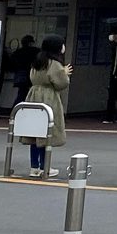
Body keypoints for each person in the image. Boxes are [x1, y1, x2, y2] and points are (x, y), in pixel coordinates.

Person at [25, 37, 71, 177]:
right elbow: (61, 83)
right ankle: (45, 167)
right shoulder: (55, 64)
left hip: (33, 95)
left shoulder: (37, 61)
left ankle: (34, 167)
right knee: (47, 133)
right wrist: (64, 73)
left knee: (35, 133)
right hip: (48, 97)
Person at [3, 35, 38, 111]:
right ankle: (20, 110)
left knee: (22, 93)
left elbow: (11, 65)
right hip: (32, 74)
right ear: (31, 43)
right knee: (30, 95)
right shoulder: (36, 51)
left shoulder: (17, 52)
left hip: (20, 75)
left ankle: (15, 110)